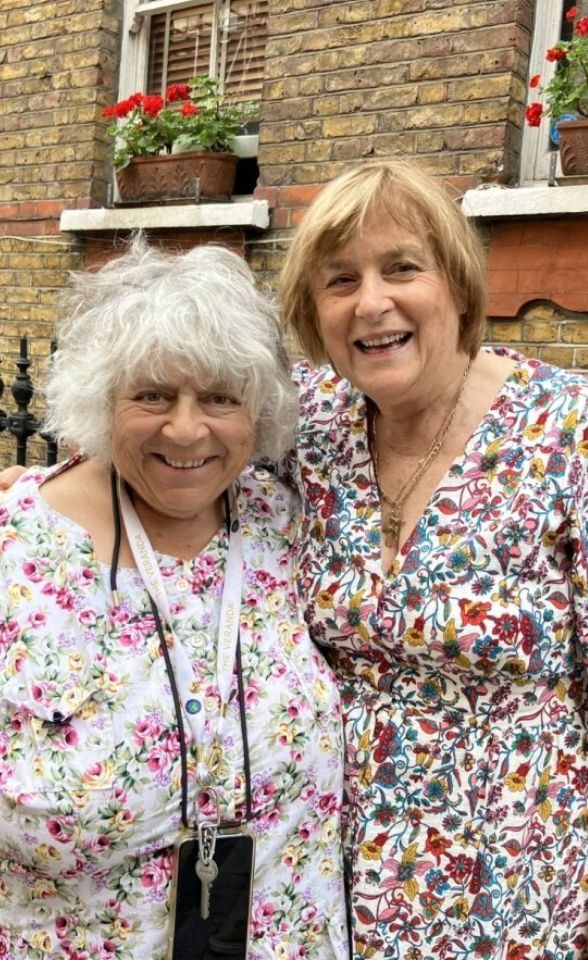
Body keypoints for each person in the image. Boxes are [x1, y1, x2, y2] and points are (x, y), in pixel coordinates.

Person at [277, 160, 588, 960]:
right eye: (339, 280)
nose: (372, 302)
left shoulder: (568, 431)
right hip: (331, 872)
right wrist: (51, 485)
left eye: (402, 268)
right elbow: (179, 443)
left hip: (516, 872)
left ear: (457, 285)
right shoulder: (304, 423)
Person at [0, 238, 349, 960]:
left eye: (221, 397)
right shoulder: (20, 548)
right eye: (154, 394)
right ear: (101, 398)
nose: (187, 430)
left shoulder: (280, 520)